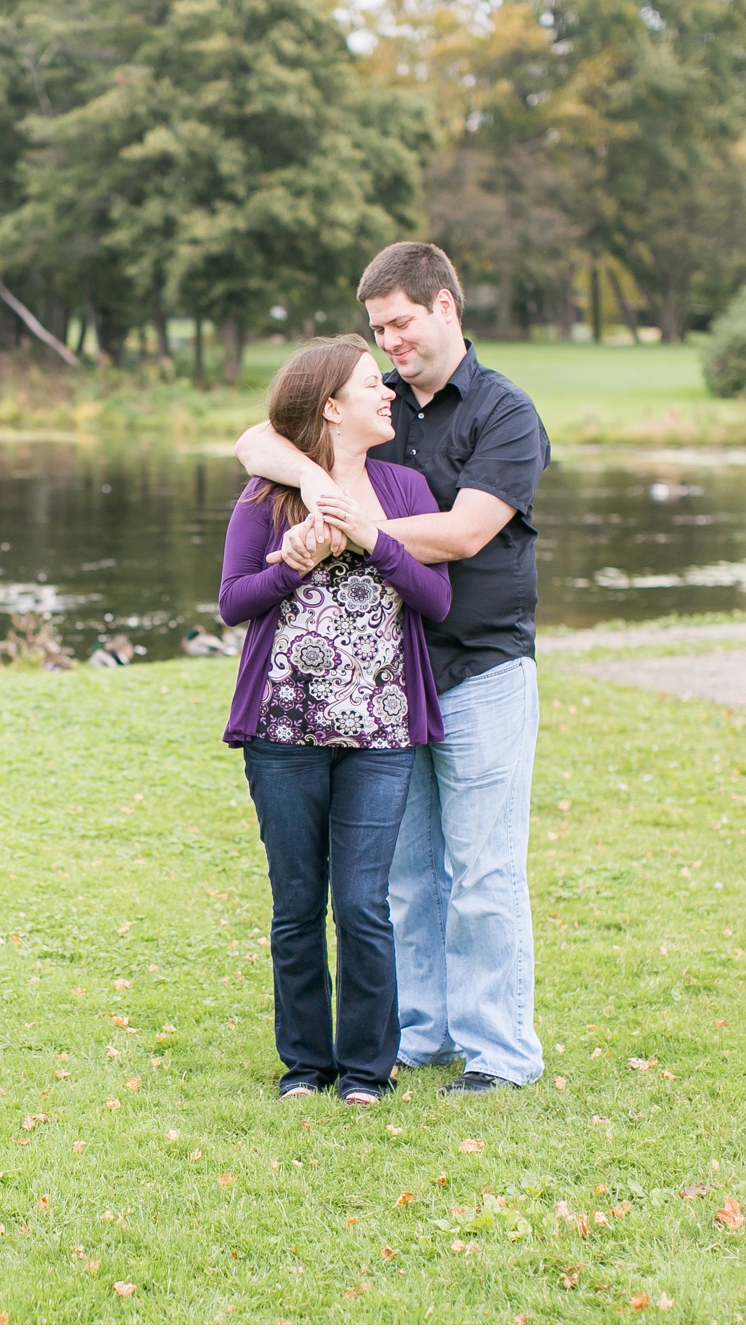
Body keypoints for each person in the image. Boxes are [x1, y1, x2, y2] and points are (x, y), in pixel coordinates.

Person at [235, 243, 550, 1095]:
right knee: (406, 877)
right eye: (378, 330)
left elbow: (463, 534)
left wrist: (343, 531)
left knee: (482, 870)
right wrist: (316, 483)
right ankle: (422, 1034)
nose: (391, 342)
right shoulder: (376, 399)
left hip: (481, 667)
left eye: (401, 323)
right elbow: (253, 438)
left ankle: (499, 1052)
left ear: (446, 306)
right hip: (389, 686)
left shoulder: (505, 413)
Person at [219, 335, 451, 1104]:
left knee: (361, 904)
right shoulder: (267, 496)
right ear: (330, 406)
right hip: (281, 735)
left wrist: (371, 541)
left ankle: (364, 1072)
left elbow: (438, 599)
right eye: (367, 384)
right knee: (296, 906)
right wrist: (291, 562)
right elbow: (231, 603)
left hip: (380, 736)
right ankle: (304, 1068)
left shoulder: (405, 487)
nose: (387, 391)